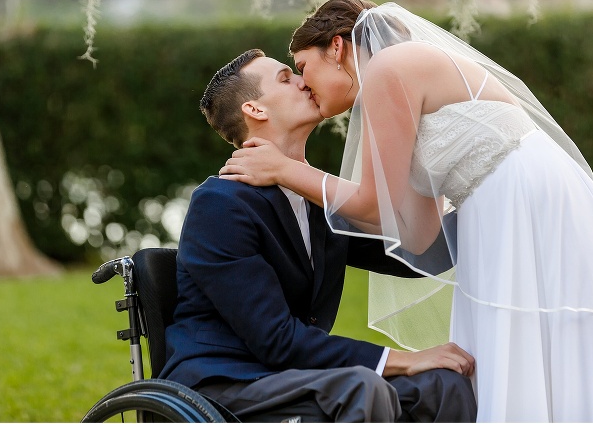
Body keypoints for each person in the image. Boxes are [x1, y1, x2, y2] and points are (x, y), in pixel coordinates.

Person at [219, 0, 593, 422]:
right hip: (498, 206)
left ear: (336, 47)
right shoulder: (395, 80)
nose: (304, 84)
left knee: (535, 343)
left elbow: (373, 204)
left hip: (523, 199)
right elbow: (416, 233)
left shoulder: (389, 69)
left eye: (302, 67)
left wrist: (284, 170)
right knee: (528, 348)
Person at [159, 48, 478, 422]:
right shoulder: (220, 205)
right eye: (285, 78)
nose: (303, 80)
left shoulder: (316, 196)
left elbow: (416, 256)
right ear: (255, 110)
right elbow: (275, 339)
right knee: (363, 386)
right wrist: (404, 360)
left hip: (294, 376)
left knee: (444, 384)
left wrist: (471, 194)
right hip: (223, 384)